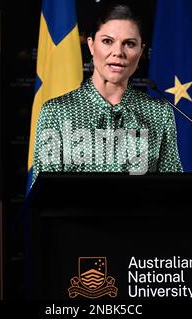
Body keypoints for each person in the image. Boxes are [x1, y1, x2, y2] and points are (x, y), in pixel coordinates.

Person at [31, 3, 182, 187]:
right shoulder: (56, 111)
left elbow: (173, 192)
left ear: (141, 51)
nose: (118, 53)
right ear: (91, 45)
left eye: (129, 44)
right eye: (107, 41)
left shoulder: (159, 113)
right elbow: (44, 197)